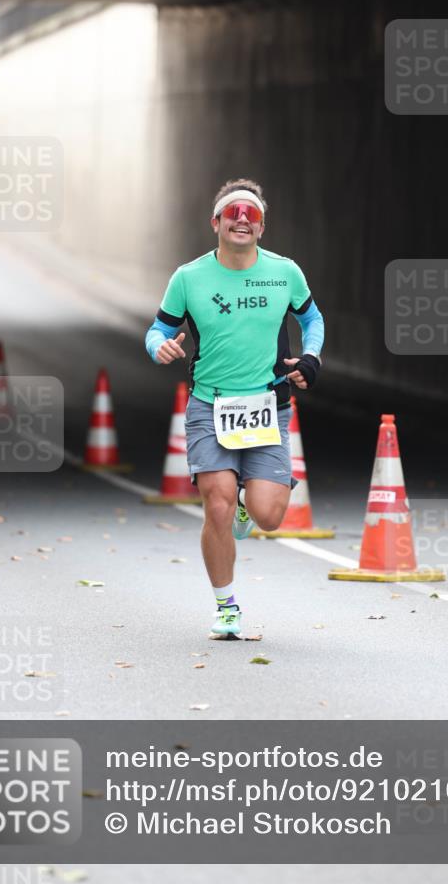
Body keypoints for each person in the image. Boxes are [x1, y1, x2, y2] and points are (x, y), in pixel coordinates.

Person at [145, 178, 324, 638]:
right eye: (232, 213)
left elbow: (312, 318)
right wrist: (159, 348)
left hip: (268, 404)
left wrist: (311, 356)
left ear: (262, 227)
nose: (242, 219)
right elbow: (158, 329)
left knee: (268, 515)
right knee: (217, 504)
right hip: (210, 404)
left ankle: (253, 498)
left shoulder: (285, 272)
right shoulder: (189, 277)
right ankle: (226, 607)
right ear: (216, 223)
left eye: (252, 215)